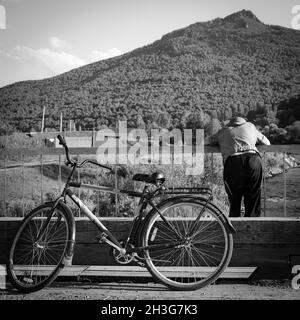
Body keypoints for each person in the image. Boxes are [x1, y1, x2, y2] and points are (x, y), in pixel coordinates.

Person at [205, 116, 271, 217]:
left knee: (235, 199)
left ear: (230, 124)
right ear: (244, 122)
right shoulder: (250, 127)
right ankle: (252, 229)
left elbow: (206, 142)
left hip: (233, 162)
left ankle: (234, 228)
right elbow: (267, 142)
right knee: (253, 198)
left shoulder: (223, 131)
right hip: (253, 160)